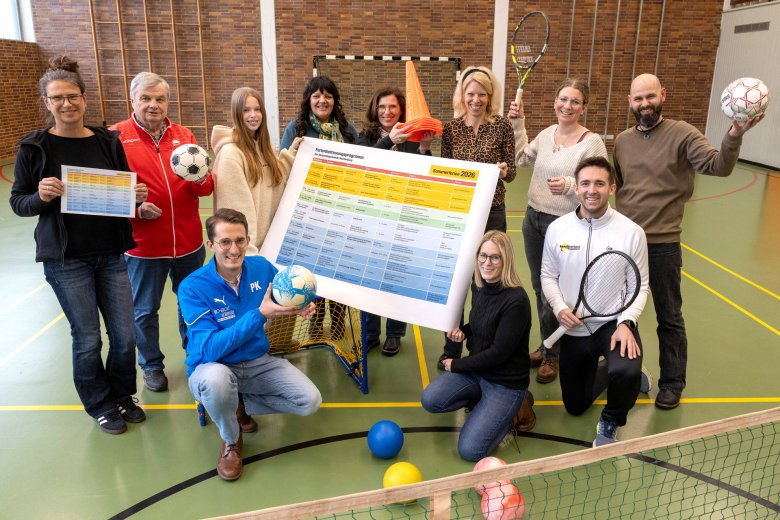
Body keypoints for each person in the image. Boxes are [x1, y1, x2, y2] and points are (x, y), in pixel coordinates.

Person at [10, 55, 147, 434]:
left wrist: (135, 196)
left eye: (73, 96)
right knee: (87, 338)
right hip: (66, 260)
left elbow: (123, 191)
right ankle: (99, 403)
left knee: (125, 336)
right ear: (47, 102)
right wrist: (40, 197)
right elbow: (19, 203)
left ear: (84, 98)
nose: (66, 104)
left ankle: (122, 394)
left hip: (110, 255)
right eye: (57, 98)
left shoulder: (107, 141)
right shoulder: (35, 148)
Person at [613, 74, 764, 410]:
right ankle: (631, 373)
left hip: (663, 246)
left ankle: (672, 383)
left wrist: (734, 135)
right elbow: (620, 185)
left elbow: (718, 166)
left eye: (650, 96)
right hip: (625, 245)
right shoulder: (622, 141)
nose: (645, 104)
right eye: (638, 98)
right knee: (622, 315)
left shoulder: (683, 133)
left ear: (663, 95)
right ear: (630, 101)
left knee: (669, 317)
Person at [179, 208, 321, 481]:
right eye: (225, 242)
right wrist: (259, 315)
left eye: (240, 240)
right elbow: (210, 350)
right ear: (211, 245)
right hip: (213, 366)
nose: (234, 249)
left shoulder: (261, 268)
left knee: (309, 401)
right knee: (217, 381)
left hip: (257, 362)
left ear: (248, 240)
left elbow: (281, 297)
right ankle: (231, 439)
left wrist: (301, 305)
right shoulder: (193, 287)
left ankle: (239, 403)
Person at [111, 72, 214, 392]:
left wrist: (202, 178)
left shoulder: (183, 135)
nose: (153, 105)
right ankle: (152, 365)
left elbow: (204, 188)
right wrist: (136, 209)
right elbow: (104, 195)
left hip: (188, 242)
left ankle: (196, 356)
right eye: (146, 98)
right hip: (144, 247)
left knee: (191, 305)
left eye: (160, 99)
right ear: (132, 100)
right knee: (144, 311)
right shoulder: (115, 137)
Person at [540, 156, 651, 446]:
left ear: (612, 188)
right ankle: (624, 377)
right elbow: (548, 276)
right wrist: (559, 308)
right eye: (586, 183)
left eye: (600, 184)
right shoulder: (558, 229)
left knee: (624, 369)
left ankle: (612, 418)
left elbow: (640, 286)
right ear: (576, 188)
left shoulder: (632, 233)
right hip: (573, 327)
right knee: (575, 406)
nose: (592, 190)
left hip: (612, 324)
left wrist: (627, 322)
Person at [508, 78, 608, 384]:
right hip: (533, 220)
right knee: (541, 287)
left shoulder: (591, 143)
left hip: (566, 225)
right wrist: (518, 123)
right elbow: (521, 158)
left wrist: (569, 185)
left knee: (560, 292)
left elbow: (599, 184)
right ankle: (548, 343)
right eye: (563, 99)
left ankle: (554, 355)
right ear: (555, 102)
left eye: (575, 101)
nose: (567, 106)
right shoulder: (546, 134)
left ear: (583, 107)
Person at [421, 231, 534, 462]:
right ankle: (484, 405)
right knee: (431, 400)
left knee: (471, 450)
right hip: (478, 373)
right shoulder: (482, 287)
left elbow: (498, 353)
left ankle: (516, 409)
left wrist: (456, 364)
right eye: (483, 255)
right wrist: (465, 331)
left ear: (506, 260)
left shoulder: (516, 301)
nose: (487, 262)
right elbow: (481, 320)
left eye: (495, 257)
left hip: (505, 383)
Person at [438, 66, 515, 369]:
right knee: (457, 282)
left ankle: (480, 348)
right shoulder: (451, 129)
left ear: (490, 96)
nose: (476, 99)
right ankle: (451, 348)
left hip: (492, 214)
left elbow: (512, 172)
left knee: (485, 281)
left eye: (482, 94)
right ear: (462, 95)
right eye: (471, 93)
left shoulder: (502, 126)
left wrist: (505, 171)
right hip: (460, 213)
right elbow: (444, 172)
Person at [356, 86, 434, 356]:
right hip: (373, 215)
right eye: (382, 107)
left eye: (392, 107)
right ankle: (370, 333)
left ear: (401, 110)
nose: (386, 112)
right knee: (370, 276)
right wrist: (389, 139)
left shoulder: (412, 137)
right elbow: (364, 164)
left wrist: (424, 149)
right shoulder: (365, 136)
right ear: (375, 110)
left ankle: (395, 333)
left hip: (403, 216)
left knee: (397, 277)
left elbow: (425, 176)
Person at [280, 76, 357, 340]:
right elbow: (282, 166)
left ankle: (337, 320)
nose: (322, 100)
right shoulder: (296, 128)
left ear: (335, 101)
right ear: (309, 100)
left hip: (341, 212)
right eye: (316, 96)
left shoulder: (348, 131)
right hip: (308, 214)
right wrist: (292, 150)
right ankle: (314, 319)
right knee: (312, 270)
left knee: (338, 269)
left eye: (328, 96)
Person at [211, 87, 300, 255]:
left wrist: (292, 152)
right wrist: (249, 254)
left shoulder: (263, 147)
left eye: (257, 109)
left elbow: (276, 179)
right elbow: (236, 212)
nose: (253, 115)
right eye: (246, 110)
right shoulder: (231, 154)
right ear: (236, 113)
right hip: (247, 252)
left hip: (268, 247)